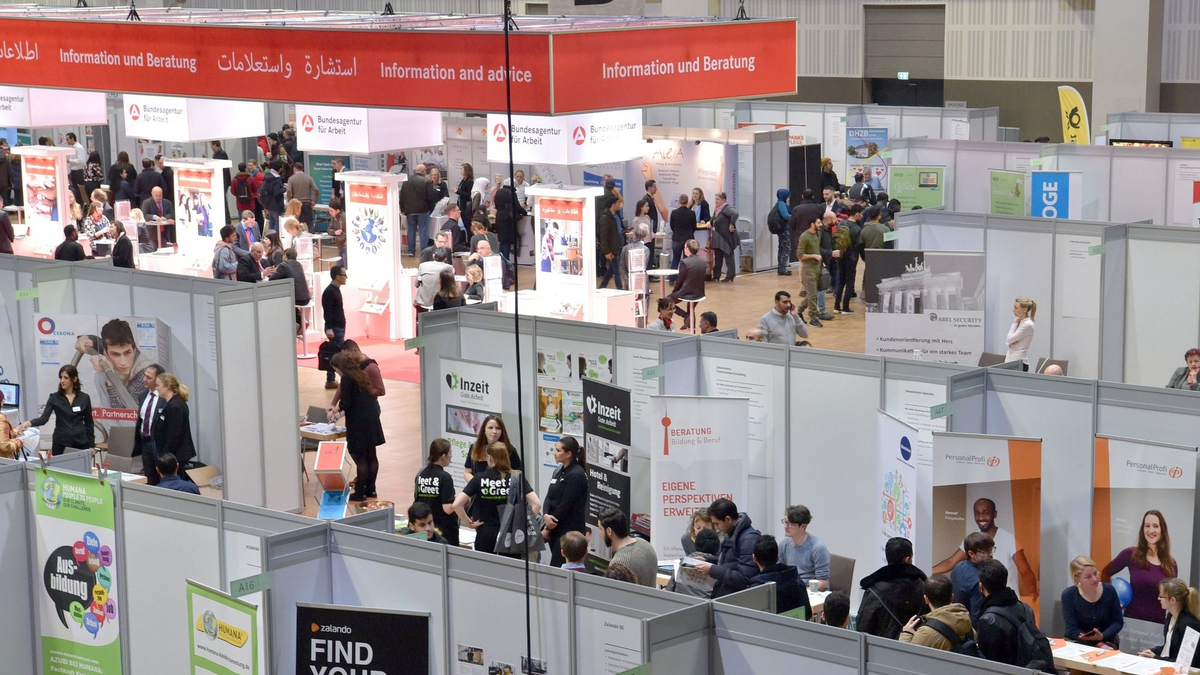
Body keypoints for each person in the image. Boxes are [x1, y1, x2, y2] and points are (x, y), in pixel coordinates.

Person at [933, 497, 1036, 598]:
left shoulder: (1009, 539)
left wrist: (1034, 597)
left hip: (1006, 601)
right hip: (982, 601)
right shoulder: (972, 539)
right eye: (977, 513)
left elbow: (1025, 571)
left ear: (994, 514)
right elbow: (951, 562)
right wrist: (927, 570)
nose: (981, 518)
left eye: (986, 513)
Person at [453, 441, 541, 556]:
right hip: (510, 535)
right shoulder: (517, 477)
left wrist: (469, 523)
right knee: (510, 566)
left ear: (489, 458)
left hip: (485, 534)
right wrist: (523, 524)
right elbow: (537, 504)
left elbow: (456, 504)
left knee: (486, 565)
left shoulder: (480, 478)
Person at [974, 559, 1054, 671]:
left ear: (981, 587)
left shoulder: (987, 620)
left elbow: (990, 665)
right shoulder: (1026, 608)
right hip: (1030, 669)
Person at [1102, 509, 1177, 623]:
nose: (1151, 530)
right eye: (1147, 526)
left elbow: (1172, 600)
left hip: (1158, 625)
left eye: (1155, 526)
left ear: (1162, 530)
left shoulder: (1171, 564)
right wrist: (1110, 602)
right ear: (1143, 529)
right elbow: (1105, 573)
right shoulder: (1130, 554)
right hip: (1132, 622)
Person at [329, 353, 384, 501]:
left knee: (360, 458)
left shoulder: (347, 379)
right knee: (371, 455)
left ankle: (360, 492)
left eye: (335, 369)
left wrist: (334, 416)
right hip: (371, 419)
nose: (336, 372)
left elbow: (346, 404)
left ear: (340, 367)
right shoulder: (360, 375)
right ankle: (371, 489)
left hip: (358, 422)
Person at [77, 318, 156, 410]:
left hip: (134, 416)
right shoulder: (107, 349)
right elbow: (94, 341)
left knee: (101, 375)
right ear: (106, 353)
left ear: (134, 349)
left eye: (127, 353)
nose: (123, 362)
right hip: (113, 415)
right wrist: (83, 338)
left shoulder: (146, 372)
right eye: (115, 354)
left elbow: (122, 410)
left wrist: (109, 376)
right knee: (99, 376)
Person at [856, 537, 928, 640]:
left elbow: (863, 628)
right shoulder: (924, 588)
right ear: (907, 559)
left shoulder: (874, 591)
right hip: (914, 647)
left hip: (881, 648)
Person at [690, 498, 761, 598]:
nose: (716, 528)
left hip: (737, 599)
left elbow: (745, 579)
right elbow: (731, 563)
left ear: (728, 519)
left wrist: (712, 569)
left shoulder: (749, 539)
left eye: (717, 524)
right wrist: (708, 560)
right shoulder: (732, 533)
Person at [541, 435, 589, 567]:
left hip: (568, 531)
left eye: (558, 450)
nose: (554, 452)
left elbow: (565, 505)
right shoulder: (558, 471)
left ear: (568, 454)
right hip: (555, 529)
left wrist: (549, 527)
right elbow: (549, 497)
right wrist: (545, 515)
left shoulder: (576, 475)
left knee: (559, 566)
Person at [899, 575, 973, 652]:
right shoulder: (967, 623)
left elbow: (905, 656)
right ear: (952, 597)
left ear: (926, 599)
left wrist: (906, 634)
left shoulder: (926, 633)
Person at [1063, 555, 1124, 647]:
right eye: (1088, 577)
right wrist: (1092, 643)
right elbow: (1071, 628)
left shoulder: (1109, 590)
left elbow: (1118, 621)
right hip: (1079, 643)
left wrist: (1102, 636)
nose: (1095, 579)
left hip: (1106, 641)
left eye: (1095, 574)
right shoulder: (1069, 595)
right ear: (1077, 578)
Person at [1140, 578, 1200, 668]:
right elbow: (1169, 646)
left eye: (1161, 596)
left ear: (1173, 600)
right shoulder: (1170, 616)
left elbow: (1186, 662)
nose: (1158, 598)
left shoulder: (1190, 624)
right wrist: (1153, 651)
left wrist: (1156, 658)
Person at [751, 534, 812, 617]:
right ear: (777, 557)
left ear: (754, 558)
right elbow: (807, 614)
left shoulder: (756, 590)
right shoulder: (796, 579)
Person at [149, 372, 196, 479]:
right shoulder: (170, 404)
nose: (156, 388)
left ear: (168, 386)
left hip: (175, 457)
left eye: (158, 385)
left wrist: (165, 458)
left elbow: (174, 435)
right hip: (169, 454)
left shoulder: (175, 406)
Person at [598, 507, 657, 587]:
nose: (600, 532)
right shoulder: (646, 545)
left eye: (600, 529)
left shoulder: (619, 563)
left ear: (609, 531)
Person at [415, 439, 459, 546]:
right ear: (443, 456)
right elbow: (448, 508)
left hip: (424, 528)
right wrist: (461, 501)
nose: (451, 456)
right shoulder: (445, 477)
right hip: (443, 531)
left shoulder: (421, 474)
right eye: (450, 453)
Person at [780, 504, 830, 590]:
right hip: (793, 588)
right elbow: (780, 571)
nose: (786, 527)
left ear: (803, 526)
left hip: (811, 591)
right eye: (785, 522)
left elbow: (823, 582)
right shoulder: (784, 544)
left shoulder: (817, 547)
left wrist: (803, 592)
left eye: (791, 524)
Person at [464, 414, 522, 482]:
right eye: (490, 428)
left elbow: (518, 475)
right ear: (484, 430)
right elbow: (467, 472)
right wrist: (477, 484)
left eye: (498, 428)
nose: (494, 431)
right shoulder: (475, 448)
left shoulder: (510, 450)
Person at [950, 532, 994, 622]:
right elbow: (977, 616)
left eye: (991, 549)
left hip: (956, 621)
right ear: (971, 554)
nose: (990, 554)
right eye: (985, 551)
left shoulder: (958, 567)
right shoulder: (978, 580)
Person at [793, 205, 825, 326]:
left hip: (817, 267)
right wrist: (814, 256)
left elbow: (817, 249)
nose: (821, 224)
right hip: (808, 269)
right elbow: (800, 255)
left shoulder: (817, 234)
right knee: (812, 294)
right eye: (818, 223)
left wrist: (821, 261)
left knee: (813, 293)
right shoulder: (804, 237)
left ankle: (799, 310)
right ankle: (813, 317)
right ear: (812, 224)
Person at [134, 363, 165, 484]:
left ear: (158, 379)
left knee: (163, 478)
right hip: (145, 443)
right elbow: (141, 420)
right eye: (144, 376)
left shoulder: (165, 398)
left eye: (149, 377)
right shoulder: (142, 396)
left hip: (160, 444)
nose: (144, 379)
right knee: (149, 477)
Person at [269, 248, 312, 328]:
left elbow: (272, 279)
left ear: (285, 255)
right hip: (306, 297)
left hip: (296, 299)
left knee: (283, 301)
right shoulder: (299, 265)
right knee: (289, 302)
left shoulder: (284, 265)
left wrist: (275, 271)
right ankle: (301, 321)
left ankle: (296, 323)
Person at [401, 163, 437, 256]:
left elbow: (402, 196)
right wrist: (430, 209)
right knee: (423, 230)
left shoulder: (406, 181)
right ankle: (424, 251)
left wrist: (403, 209)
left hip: (410, 211)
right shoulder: (427, 182)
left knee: (411, 230)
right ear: (422, 171)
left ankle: (411, 251)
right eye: (425, 171)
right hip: (423, 210)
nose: (426, 172)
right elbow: (431, 197)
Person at [669, 239, 706, 329]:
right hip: (699, 292)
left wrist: (675, 291)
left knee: (665, 302)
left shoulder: (685, 262)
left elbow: (680, 280)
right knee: (691, 308)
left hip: (687, 292)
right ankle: (691, 326)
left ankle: (686, 316)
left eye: (685, 247)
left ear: (687, 249)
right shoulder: (703, 262)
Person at [834, 204, 863, 314]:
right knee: (850, 281)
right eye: (861, 214)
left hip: (840, 255)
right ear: (856, 214)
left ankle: (836, 306)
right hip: (851, 257)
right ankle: (845, 307)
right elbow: (858, 245)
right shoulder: (857, 229)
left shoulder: (841, 223)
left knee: (841, 280)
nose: (862, 216)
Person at [322, 266, 348, 390]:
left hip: (338, 326)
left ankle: (331, 379)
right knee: (338, 354)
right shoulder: (330, 291)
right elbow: (328, 311)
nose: (346, 277)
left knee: (335, 353)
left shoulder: (335, 290)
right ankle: (336, 379)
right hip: (335, 327)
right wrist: (329, 328)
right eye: (344, 275)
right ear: (337, 276)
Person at [494, 181, 527, 268]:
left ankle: (501, 260)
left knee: (502, 241)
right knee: (507, 241)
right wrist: (525, 213)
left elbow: (496, 205)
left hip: (499, 217)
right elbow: (517, 206)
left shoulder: (499, 192)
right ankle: (506, 262)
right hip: (508, 219)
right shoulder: (511, 193)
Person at [709, 191, 739, 283]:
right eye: (715, 199)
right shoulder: (717, 209)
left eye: (717, 199)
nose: (716, 201)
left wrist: (731, 224)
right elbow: (713, 220)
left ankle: (730, 275)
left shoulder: (726, 208)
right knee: (718, 257)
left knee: (728, 257)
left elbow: (735, 214)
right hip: (718, 237)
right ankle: (716, 275)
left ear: (723, 200)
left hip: (725, 238)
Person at [597, 196, 624, 290]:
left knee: (612, 269)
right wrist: (606, 251)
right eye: (618, 203)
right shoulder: (605, 218)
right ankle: (619, 288)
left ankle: (602, 286)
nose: (619, 205)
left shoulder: (615, 216)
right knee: (616, 270)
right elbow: (603, 236)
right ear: (613, 204)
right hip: (612, 248)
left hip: (617, 246)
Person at [417, 247, 454, 312]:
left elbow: (416, 284)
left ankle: (419, 318)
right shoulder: (449, 267)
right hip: (441, 301)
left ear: (433, 256)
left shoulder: (422, 265)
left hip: (423, 301)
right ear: (445, 259)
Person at [285, 161, 318, 230]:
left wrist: (291, 202)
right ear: (302, 169)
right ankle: (312, 236)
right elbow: (316, 190)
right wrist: (314, 201)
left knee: (297, 223)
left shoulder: (291, 179)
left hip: (296, 204)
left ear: (294, 169)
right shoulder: (309, 178)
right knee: (310, 223)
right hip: (307, 203)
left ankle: (299, 236)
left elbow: (288, 192)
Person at [1006, 298, 1036, 370]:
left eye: (1016, 308)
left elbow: (1009, 339)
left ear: (1024, 310)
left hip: (1019, 362)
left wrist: (1014, 323)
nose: (1013, 310)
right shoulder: (1019, 322)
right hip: (1010, 360)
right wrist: (1009, 344)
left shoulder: (1027, 324)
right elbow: (1008, 341)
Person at [669, 194, 697, 268]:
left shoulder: (674, 212)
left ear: (679, 201)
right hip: (688, 239)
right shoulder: (692, 213)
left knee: (675, 259)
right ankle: (685, 274)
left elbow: (672, 226)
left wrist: (676, 232)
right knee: (687, 260)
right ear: (687, 201)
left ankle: (673, 275)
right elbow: (694, 227)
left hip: (677, 238)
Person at [259, 161, 286, 231]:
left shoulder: (267, 177)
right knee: (277, 222)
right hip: (276, 204)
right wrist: (284, 188)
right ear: (279, 169)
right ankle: (275, 237)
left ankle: (270, 236)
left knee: (271, 222)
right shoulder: (277, 179)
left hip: (268, 203)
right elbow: (277, 192)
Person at [0, 388, 24, 459]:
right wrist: (18, 442)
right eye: (3, 400)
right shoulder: (1, 420)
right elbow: (4, 446)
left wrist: (16, 431)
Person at [328, 198, 346, 269]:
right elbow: (329, 229)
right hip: (340, 244)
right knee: (339, 267)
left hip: (345, 244)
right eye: (329, 211)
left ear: (338, 211)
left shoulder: (344, 218)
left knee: (345, 267)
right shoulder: (333, 218)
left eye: (331, 211)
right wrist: (334, 232)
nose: (330, 213)